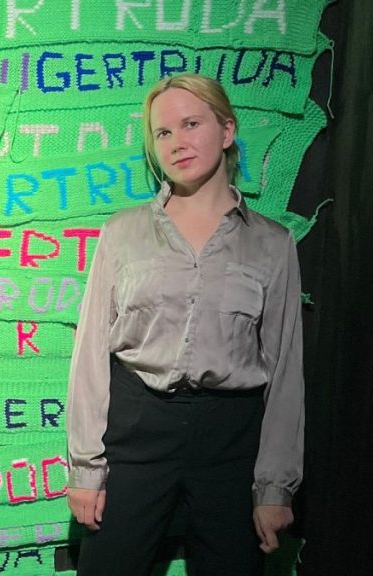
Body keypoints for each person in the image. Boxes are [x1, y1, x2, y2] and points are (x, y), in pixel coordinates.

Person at [65, 73, 304, 576]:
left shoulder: (273, 244)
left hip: (231, 442)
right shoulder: (122, 233)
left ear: (226, 130)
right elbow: (89, 355)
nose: (177, 143)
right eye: (163, 133)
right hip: (137, 431)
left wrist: (274, 486)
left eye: (191, 124)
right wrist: (86, 469)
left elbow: (285, 371)